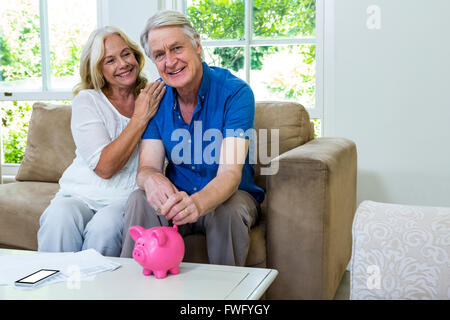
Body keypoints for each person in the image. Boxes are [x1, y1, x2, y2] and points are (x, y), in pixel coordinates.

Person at [120, 10, 264, 266]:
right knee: (138, 199)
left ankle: (225, 296)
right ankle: (135, 289)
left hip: (230, 195)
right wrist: (151, 180)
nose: (170, 61)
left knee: (227, 211)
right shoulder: (156, 97)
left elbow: (230, 173)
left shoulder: (236, 93)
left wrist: (197, 203)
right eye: (160, 55)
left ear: (197, 45)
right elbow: (148, 167)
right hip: (178, 196)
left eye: (177, 48)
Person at [37, 26, 166, 257]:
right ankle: (54, 289)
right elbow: (104, 167)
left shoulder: (152, 97)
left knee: (105, 228)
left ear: (136, 56)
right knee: (58, 219)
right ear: (98, 69)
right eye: (110, 60)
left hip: (125, 198)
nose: (123, 64)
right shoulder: (88, 101)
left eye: (126, 54)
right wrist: (140, 117)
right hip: (80, 193)